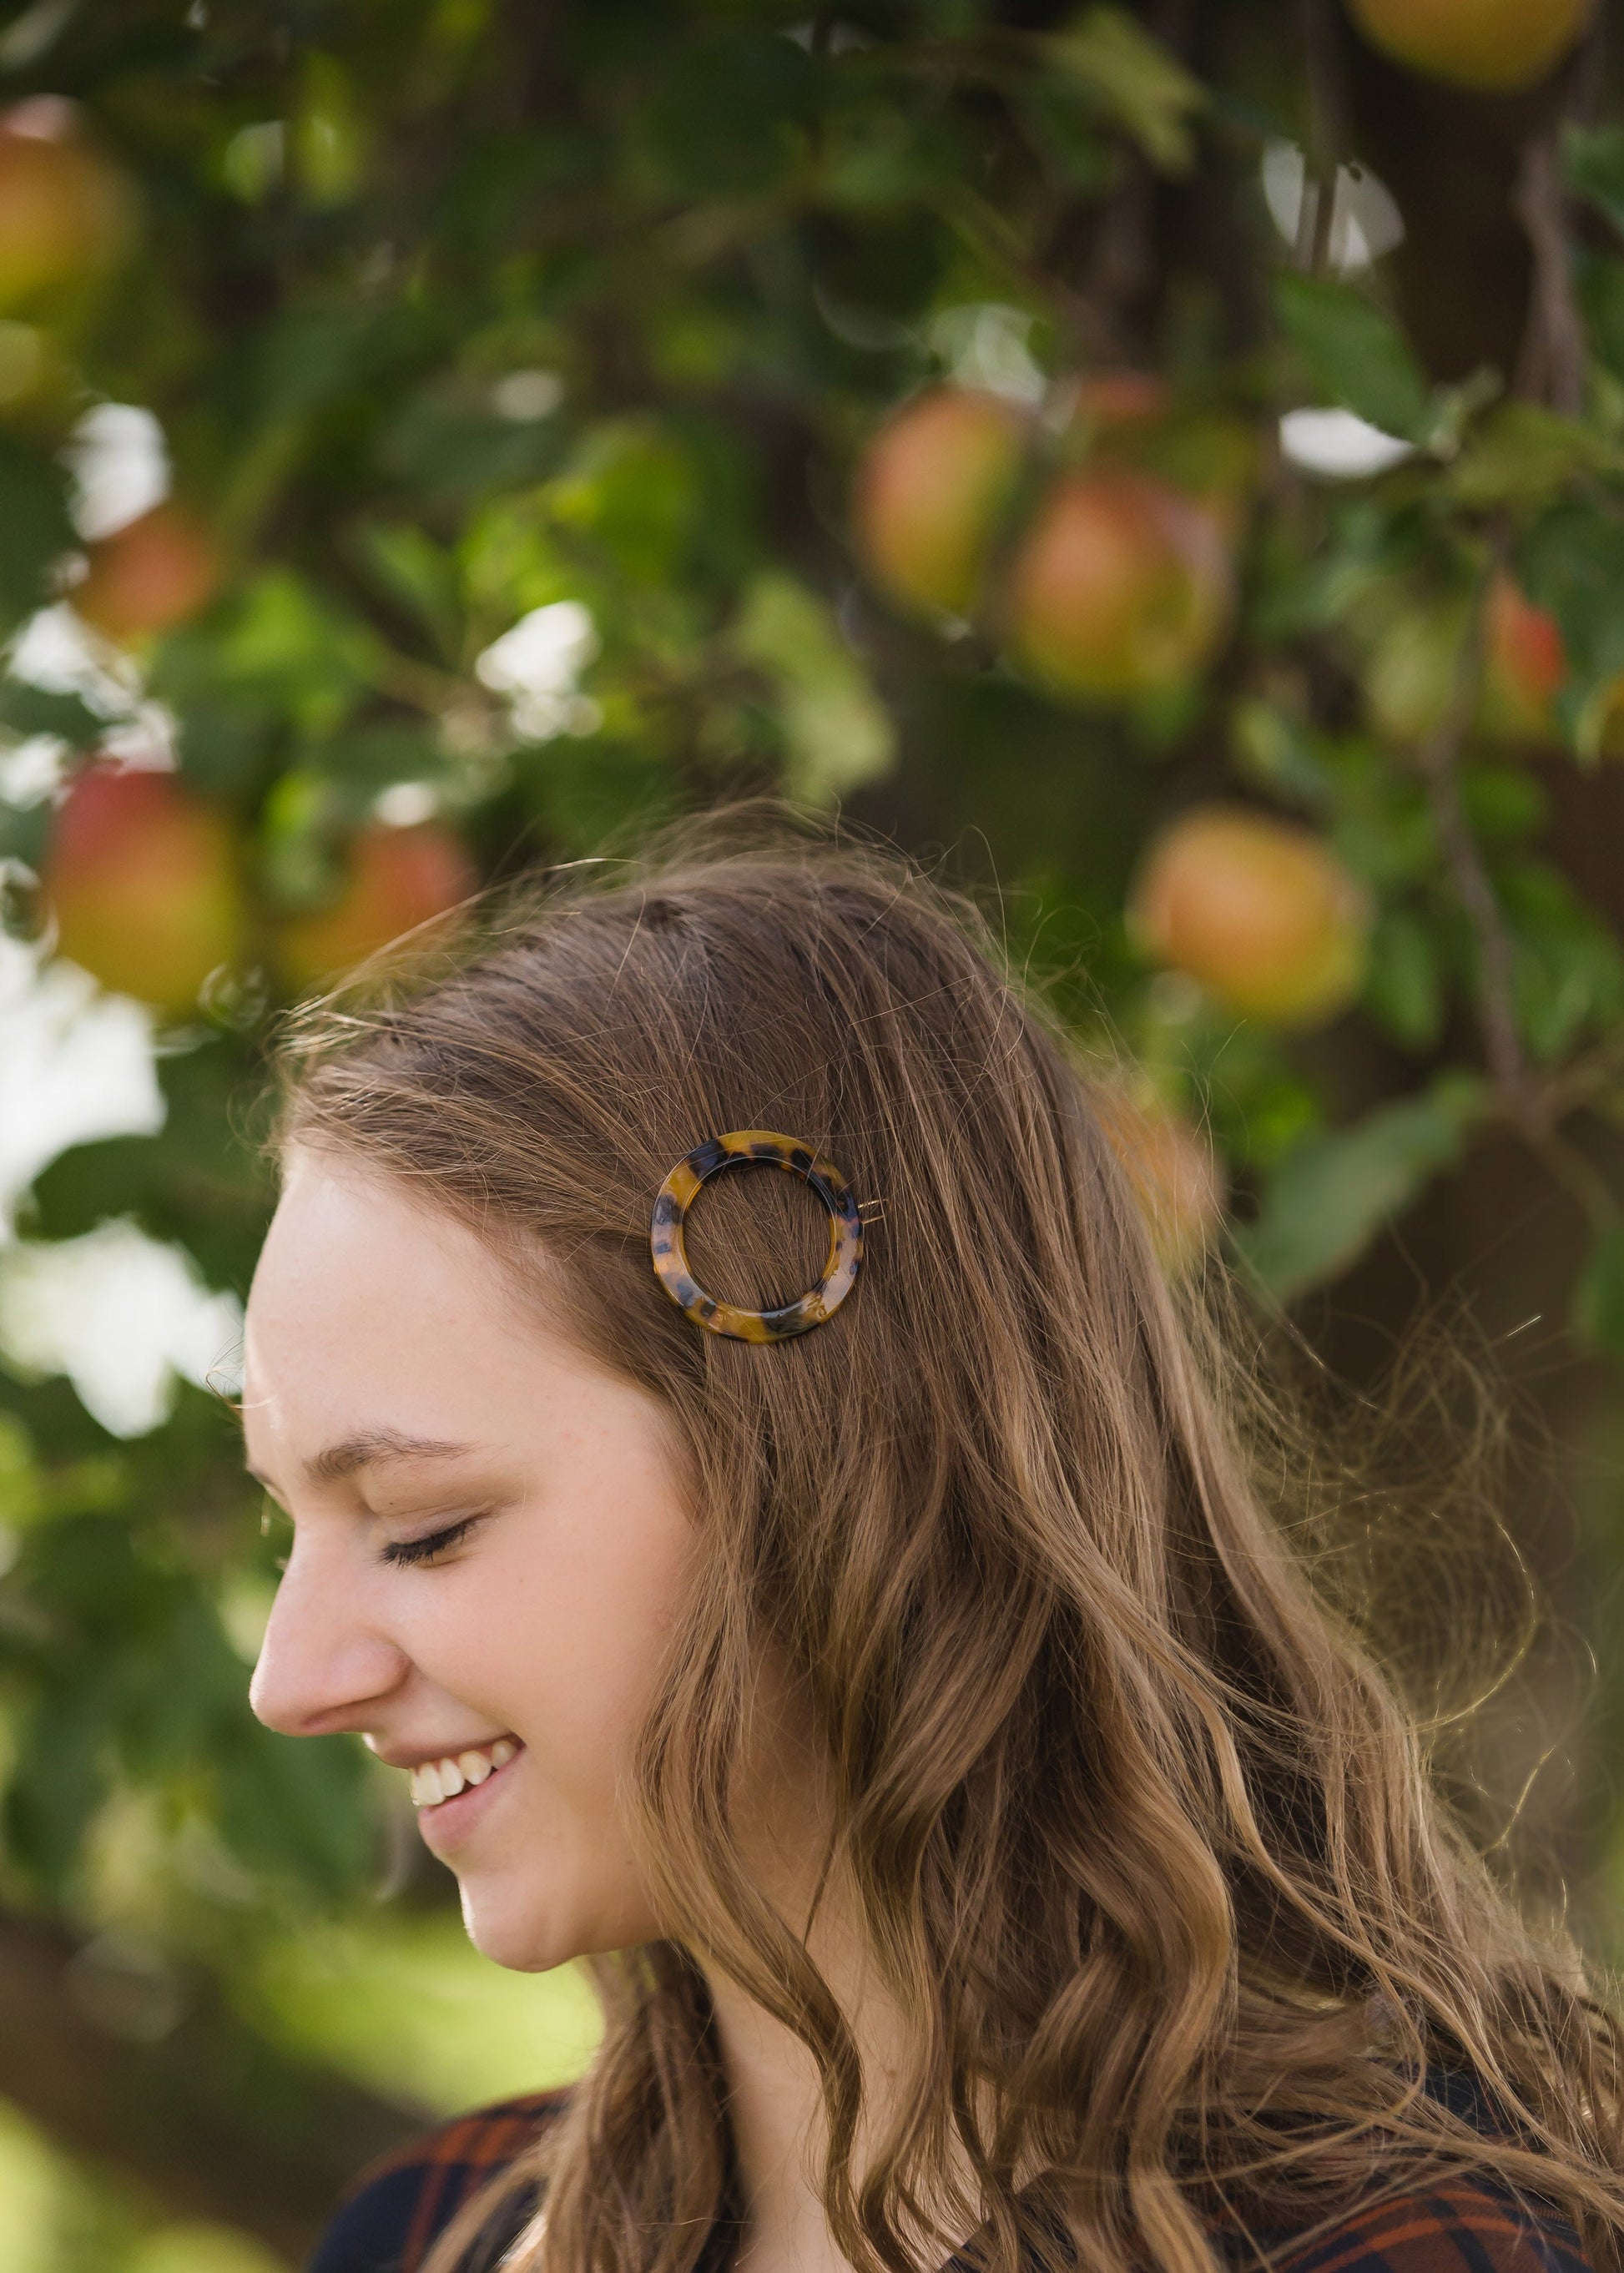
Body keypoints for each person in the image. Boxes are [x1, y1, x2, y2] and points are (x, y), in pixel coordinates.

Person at [240, 818, 1622, 2273]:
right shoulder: (427, 2231)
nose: (288, 1680)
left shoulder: (1400, 2250)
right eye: (286, 1524)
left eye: (420, 1528)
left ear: (834, 1467)